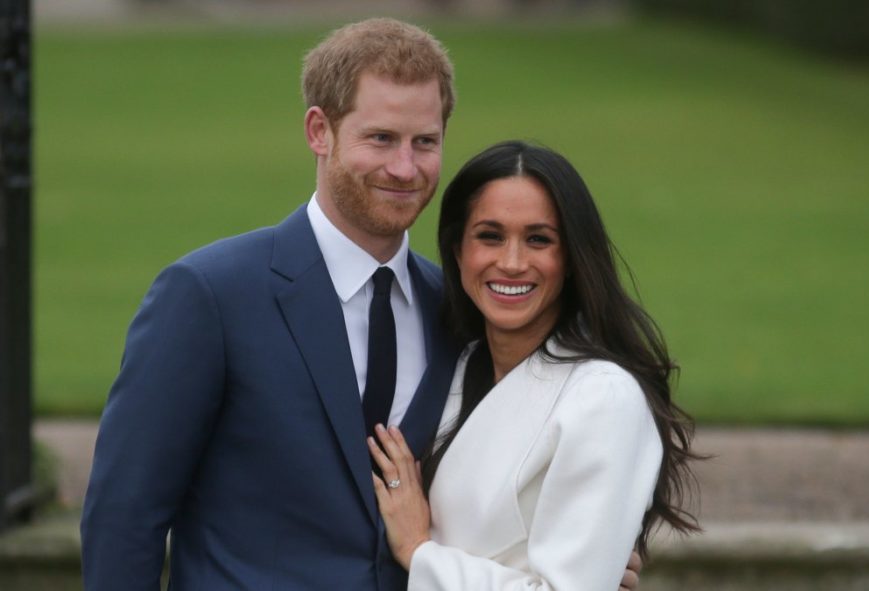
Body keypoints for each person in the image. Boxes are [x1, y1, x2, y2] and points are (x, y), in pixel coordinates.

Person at [80, 20, 644, 590]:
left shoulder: (459, 311)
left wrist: (585, 561)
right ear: (319, 131)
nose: (405, 168)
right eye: (381, 138)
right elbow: (125, 517)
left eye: (424, 141)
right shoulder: (210, 295)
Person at [368, 140, 700, 590]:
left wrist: (419, 552)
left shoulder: (602, 397)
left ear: (571, 259)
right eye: (490, 236)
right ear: (457, 249)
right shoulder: (452, 364)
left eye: (538, 239)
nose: (511, 262)